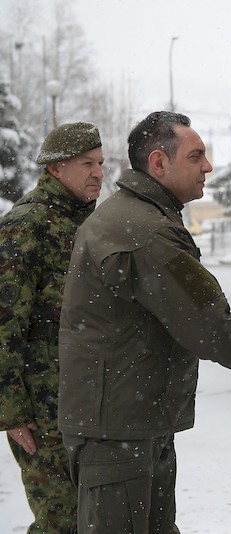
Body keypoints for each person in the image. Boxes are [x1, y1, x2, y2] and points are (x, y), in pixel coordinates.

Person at [57, 111, 231, 533]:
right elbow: (213, 328)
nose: (208, 166)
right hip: (118, 432)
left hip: (128, 423)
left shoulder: (139, 218)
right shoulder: (144, 232)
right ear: (159, 164)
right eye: (196, 156)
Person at [0, 122, 104, 533]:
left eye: (100, 162)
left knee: (93, 517)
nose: (98, 172)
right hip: (43, 410)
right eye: (87, 164)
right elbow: (4, 326)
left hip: (87, 401)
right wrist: (11, 413)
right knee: (62, 521)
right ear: (56, 169)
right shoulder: (26, 226)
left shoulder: (85, 224)